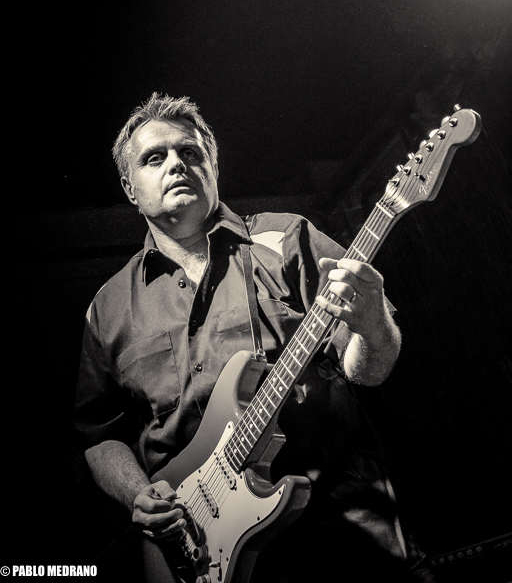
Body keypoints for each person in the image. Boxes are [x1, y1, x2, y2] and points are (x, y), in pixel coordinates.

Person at [74, 93, 434, 582]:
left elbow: (368, 370)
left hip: (339, 527)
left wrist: (372, 325)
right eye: (154, 158)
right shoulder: (109, 307)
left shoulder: (285, 240)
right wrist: (139, 494)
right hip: (195, 544)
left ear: (214, 167)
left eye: (190, 152)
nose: (176, 163)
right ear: (130, 189)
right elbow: (101, 437)